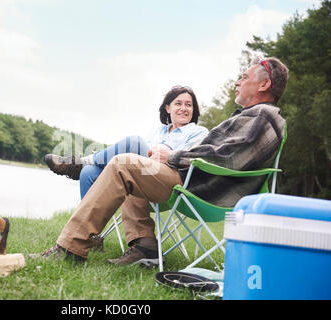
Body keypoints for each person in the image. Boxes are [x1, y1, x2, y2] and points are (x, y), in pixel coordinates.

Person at [29, 57, 289, 267]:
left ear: (264, 85)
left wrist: (172, 157)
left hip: (202, 187)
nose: (237, 82)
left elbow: (229, 157)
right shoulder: (253, 116)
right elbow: (223, 152)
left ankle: (70, 247)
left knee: (123, 163)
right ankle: (144, 245)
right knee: (131, 167)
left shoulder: (265, 117)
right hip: (195, 179)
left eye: (244, 77)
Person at [44, 86, 209, 199]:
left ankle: (81, 162)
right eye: (178, 103)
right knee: (89, 172)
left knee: (135, 142)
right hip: (142, 171)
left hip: (169, 177)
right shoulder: (158, 131)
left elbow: (190, 158)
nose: (184, 108)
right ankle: (88, 236)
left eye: (189, 105)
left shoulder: (199, 132)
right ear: (167, 108)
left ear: (193, 109)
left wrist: (165, 153)